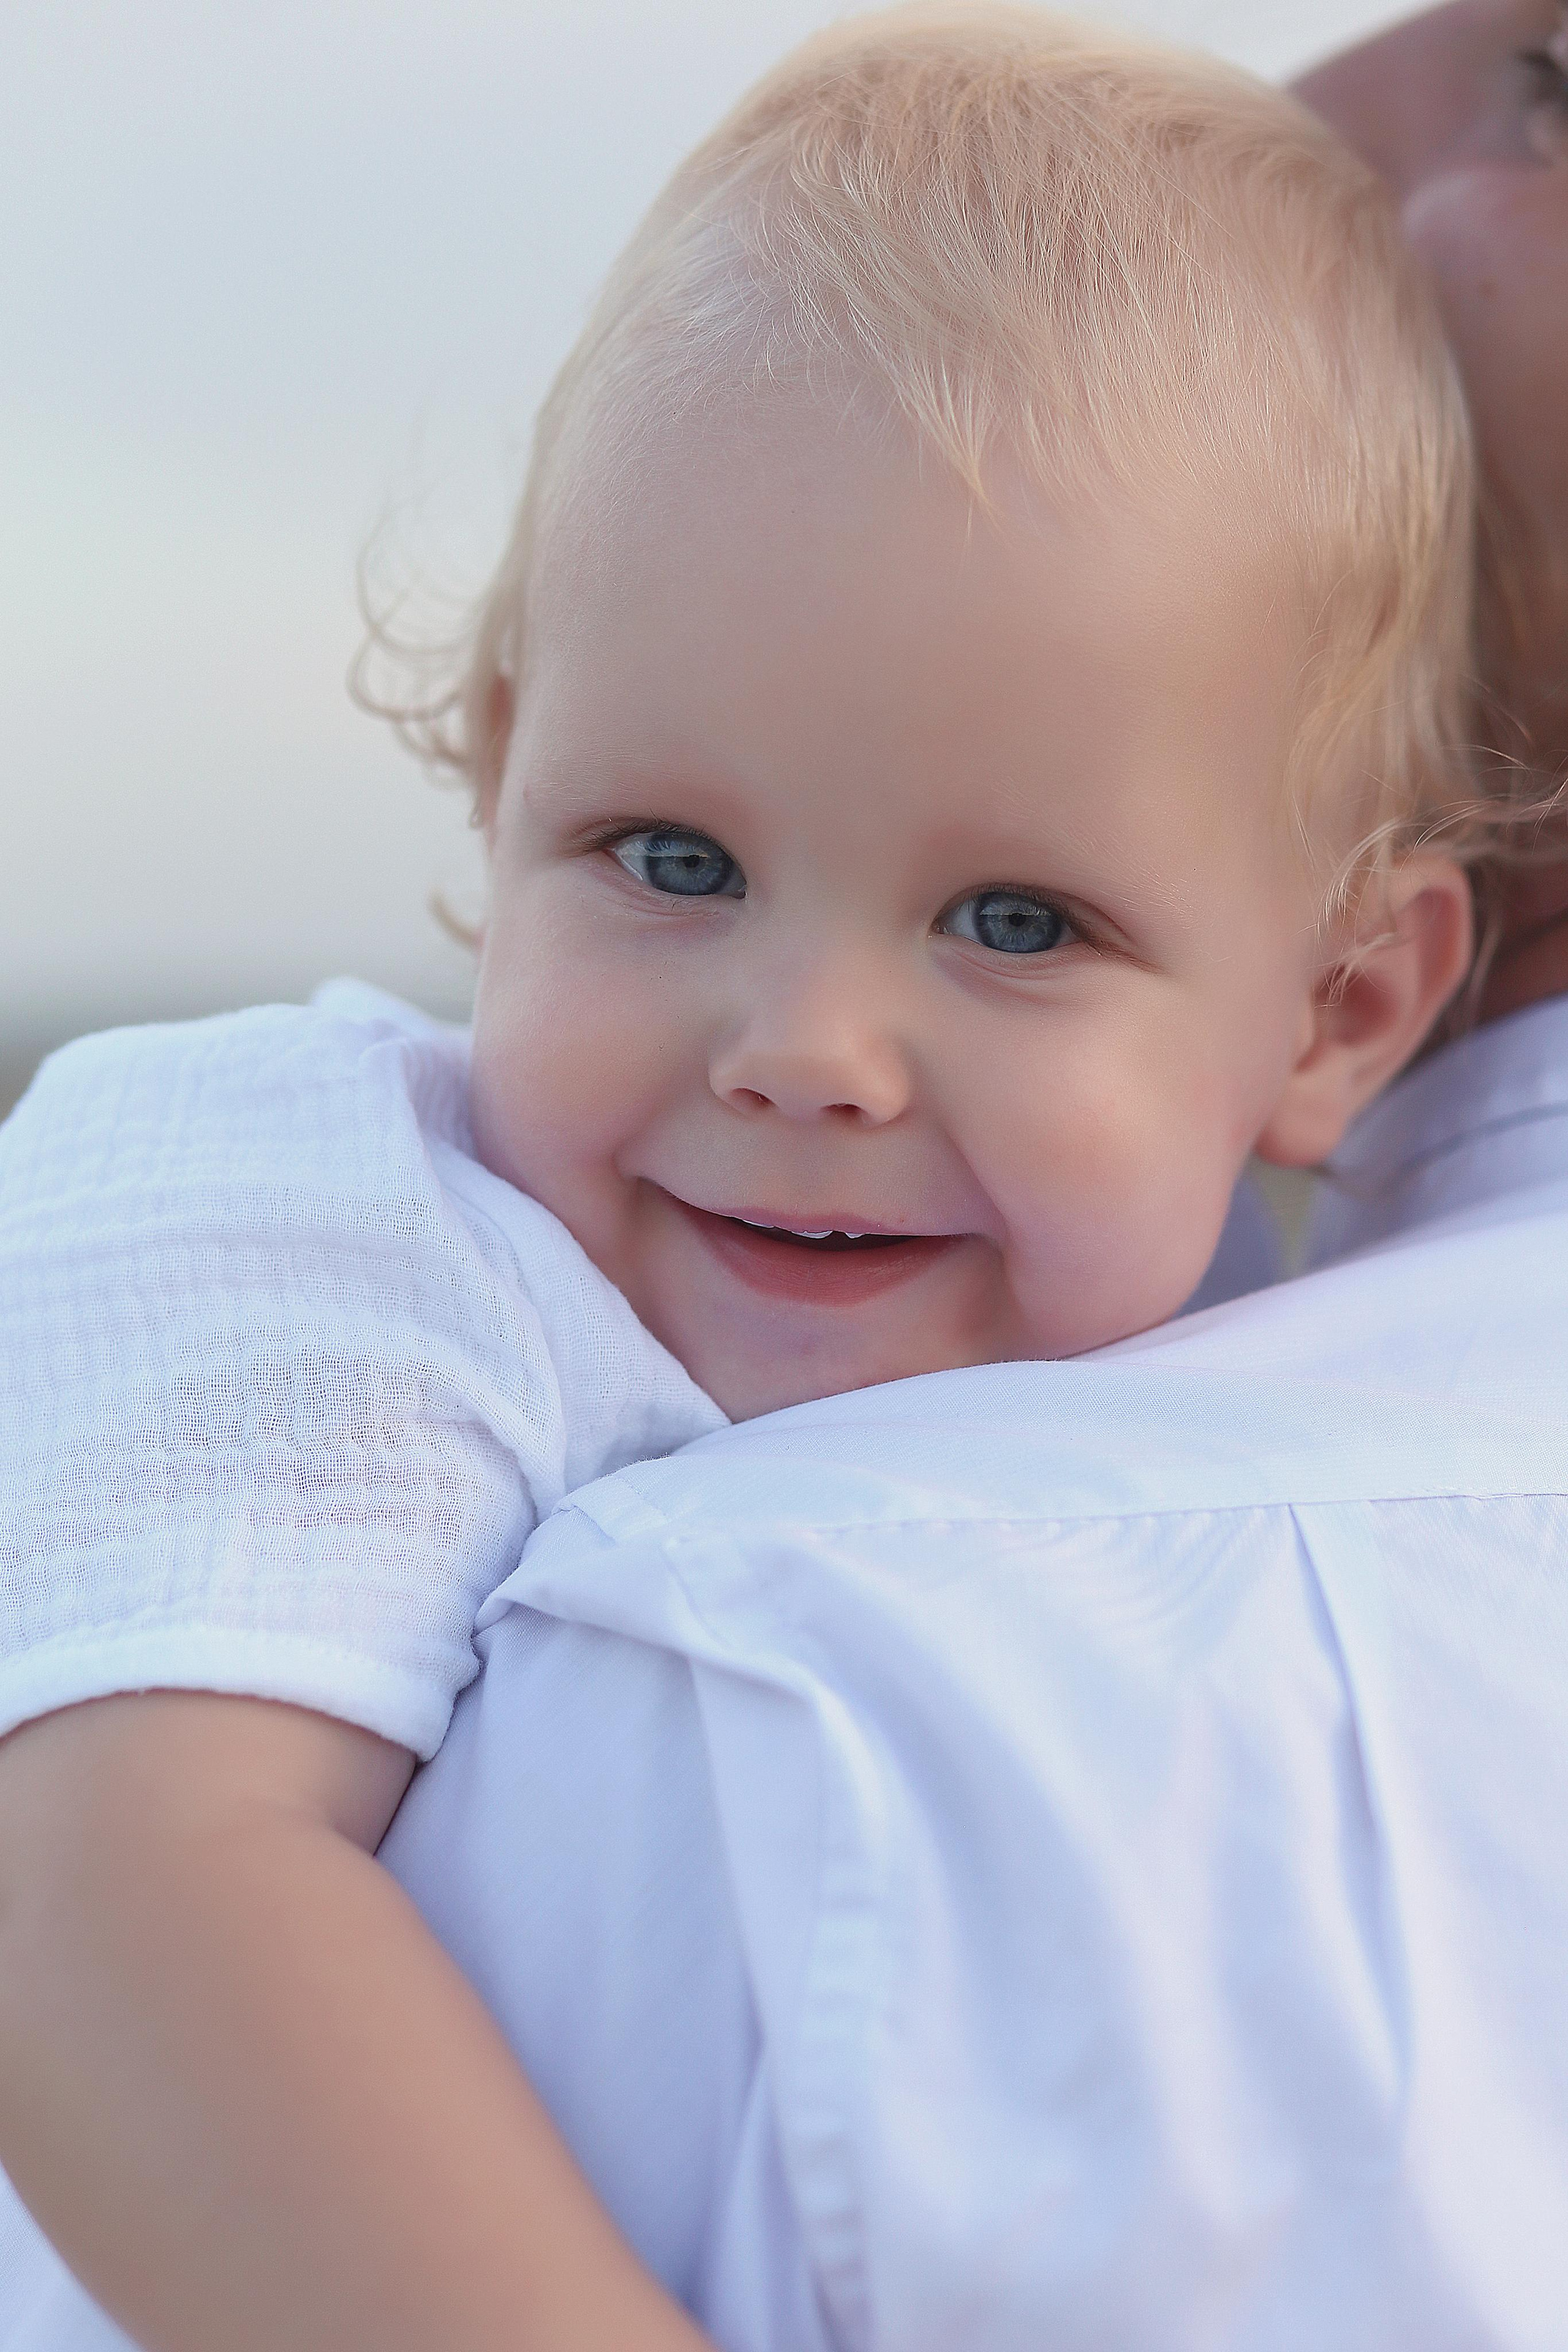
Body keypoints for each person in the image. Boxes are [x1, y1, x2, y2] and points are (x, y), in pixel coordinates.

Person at [0, 4, 1561, 2348]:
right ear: (506, 774)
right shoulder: (325, 1213)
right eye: (669, 854)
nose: (809, 1048)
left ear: (1337, 1009)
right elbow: (106, 1900)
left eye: (1017, 923)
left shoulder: (1223, 1344)